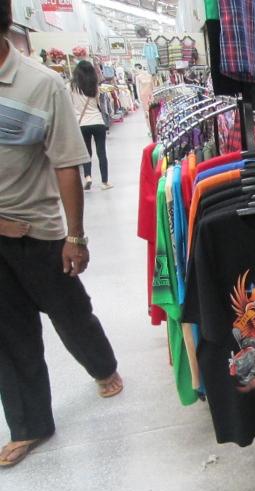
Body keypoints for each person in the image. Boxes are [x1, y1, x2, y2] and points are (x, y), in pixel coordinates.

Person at [0, 0, 123, 467]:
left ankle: (103, 366)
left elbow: (67, 163)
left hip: (37, 229)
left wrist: (76, 236)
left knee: (70, 314)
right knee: (8, 332)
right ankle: (29, 425)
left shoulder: (41, 83)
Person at [69, 60, 112, 191]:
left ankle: (88, 177)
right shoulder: (94, 86)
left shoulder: (70, 87)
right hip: (97, 122)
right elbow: (98, 104)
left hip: (82, 123)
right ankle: (104, 182)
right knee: (101, 152)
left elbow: (70, 105)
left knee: (86, 152)